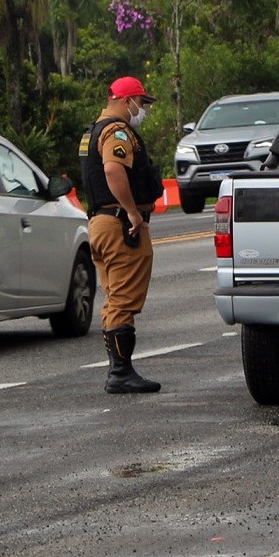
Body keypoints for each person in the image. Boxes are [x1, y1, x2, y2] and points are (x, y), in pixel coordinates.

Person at [80, 76, 165, 393]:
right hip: (119, 224)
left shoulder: (92, 132)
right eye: (141, 103)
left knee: (115, 298)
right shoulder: (117, 131)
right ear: (126, 99)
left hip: (101, 222)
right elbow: (113, 170)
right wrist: (131, 211)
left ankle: (120, 370)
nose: (142, 109)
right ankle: (120, 373)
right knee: (122, 301)